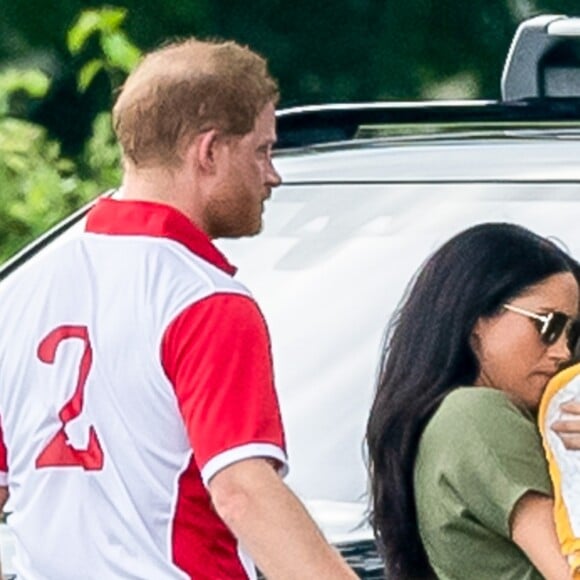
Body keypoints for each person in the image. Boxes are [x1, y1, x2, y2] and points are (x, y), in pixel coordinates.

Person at [0, 38, 357, 579]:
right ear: (209, 151)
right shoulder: (203, 299)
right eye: (262, 150)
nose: (273, 174)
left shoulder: (21, 289)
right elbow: (243, 490)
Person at [366, 222, 580, 579]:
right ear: (476, 318)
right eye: (548, 325)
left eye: (573, 334)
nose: (562, 352)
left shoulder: (446, 422)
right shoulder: (477, 415)